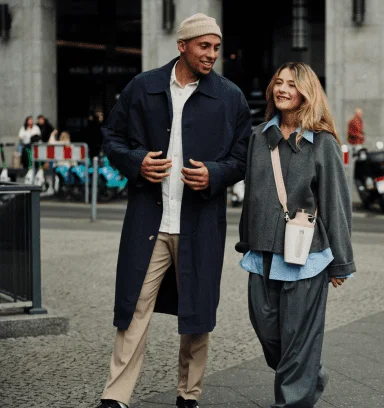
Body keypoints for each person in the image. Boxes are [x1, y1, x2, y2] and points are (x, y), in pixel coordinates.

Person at [96, 12, 251, 408]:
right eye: (204, 46)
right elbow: (111, 137)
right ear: (182, 45)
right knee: (133, 308)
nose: (212, 54)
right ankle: (116, 397)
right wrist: (136, 162)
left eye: (216, 48)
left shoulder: (230, 96)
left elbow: (242, 157)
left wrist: (214, 174)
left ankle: (189, 395)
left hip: (200, 222)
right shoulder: (143, 87)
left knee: (198, 312)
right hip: (149, 219)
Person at [236, 62, 356, 408]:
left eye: (291, 84)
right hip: (262, 254)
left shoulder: (323, 143)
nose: (282, 89)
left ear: (307, 92)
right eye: (278, 82)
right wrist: (246, 240)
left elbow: (335, 204)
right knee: (270, 333)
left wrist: (340, 262)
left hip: (307, 255)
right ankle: (308, 372)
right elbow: (253, 195)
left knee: (297, 339)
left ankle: (293, 397)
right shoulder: (260, 137)